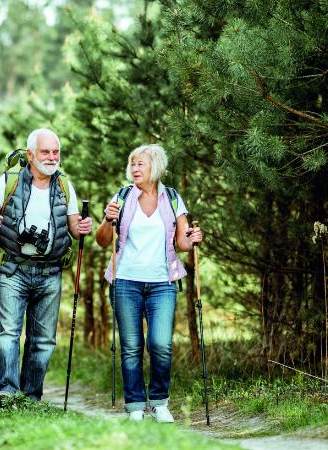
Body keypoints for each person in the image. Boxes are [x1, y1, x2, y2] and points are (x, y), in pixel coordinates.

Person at [0, 128, 93, 408]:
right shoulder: (10, 180)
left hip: (50, 272)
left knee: (43, 340)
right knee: (9, 333)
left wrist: (82, 227)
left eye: (56, 152)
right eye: (46, 152)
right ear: (31, 154)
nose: (52, 157)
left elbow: (74, 227)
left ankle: (31, 396)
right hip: (12, 270)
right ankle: (7, 391)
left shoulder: (65, 185)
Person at [95, 144, 203, 422]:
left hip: (162, 283)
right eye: (132, 164)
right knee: (131, 346)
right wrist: (108, 220)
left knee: (160, 343)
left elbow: (182, 243)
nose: (134, 169)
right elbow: (102, 240)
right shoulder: (121, 197)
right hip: (126, 281)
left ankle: (159, 402)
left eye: (140, 164)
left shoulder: (173, 198)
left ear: (155, 166)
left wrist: (192, 239)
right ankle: (134, 406)